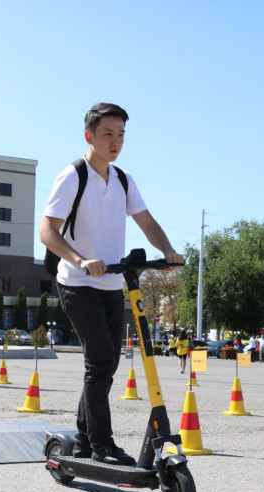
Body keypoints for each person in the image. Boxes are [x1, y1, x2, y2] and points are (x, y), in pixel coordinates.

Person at [39, 102, 184, 466]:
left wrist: (167, 251)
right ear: (89, 136)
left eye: (121, 135)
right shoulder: (73, 176)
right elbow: (47, 231)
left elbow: (147, 223)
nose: (115, 141)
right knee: (101, 360)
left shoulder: (123, 179)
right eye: (108, 133)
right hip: (76, 282)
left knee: (105, 363)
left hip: (112, 284)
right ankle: (102, 443)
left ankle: (85, 438)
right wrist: (80, 261)